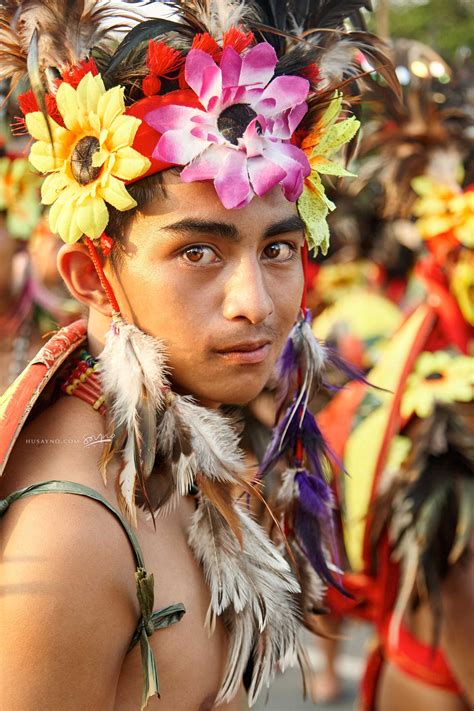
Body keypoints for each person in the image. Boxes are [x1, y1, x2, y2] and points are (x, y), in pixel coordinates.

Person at [0, 1, 394, 709]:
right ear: (92, 275)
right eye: (197, 251)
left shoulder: (180, 449)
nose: (257, 302)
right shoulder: (70, 538)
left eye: (277, 249)